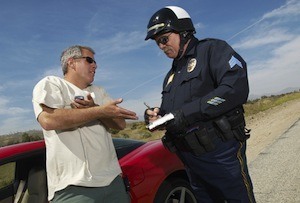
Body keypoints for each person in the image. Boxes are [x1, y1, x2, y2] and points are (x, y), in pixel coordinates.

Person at [144, 6, 256, 203]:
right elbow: (172, 111)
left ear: (183, 31)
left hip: (221, 154)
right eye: (157, 43)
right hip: (190, 160)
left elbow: (235, 88)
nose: (161, 46)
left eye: (164, 39)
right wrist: (156, 115)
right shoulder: (171, 76)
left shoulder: (212, 50)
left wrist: (185, 114)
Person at [32, 45, 138, 203]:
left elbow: (120, 124)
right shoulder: (52, 84)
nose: (95, 65)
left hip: (113, 182)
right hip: (73, 188)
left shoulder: (99, 91)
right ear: (71, 62)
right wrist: (99, 112)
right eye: (89, 60)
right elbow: (48, 120)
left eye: (95, 62)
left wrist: (95, 108)